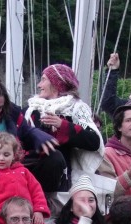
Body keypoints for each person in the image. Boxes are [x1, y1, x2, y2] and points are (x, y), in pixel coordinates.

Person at [25, 63, 105, 200]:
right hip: (31, 172)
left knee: (54, 157)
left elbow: (94, 141)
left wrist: (63, 125)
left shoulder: (75, 108)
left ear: (56, 83)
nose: (39, 85)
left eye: (43, 79)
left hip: (59, 179)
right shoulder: (32, 109)